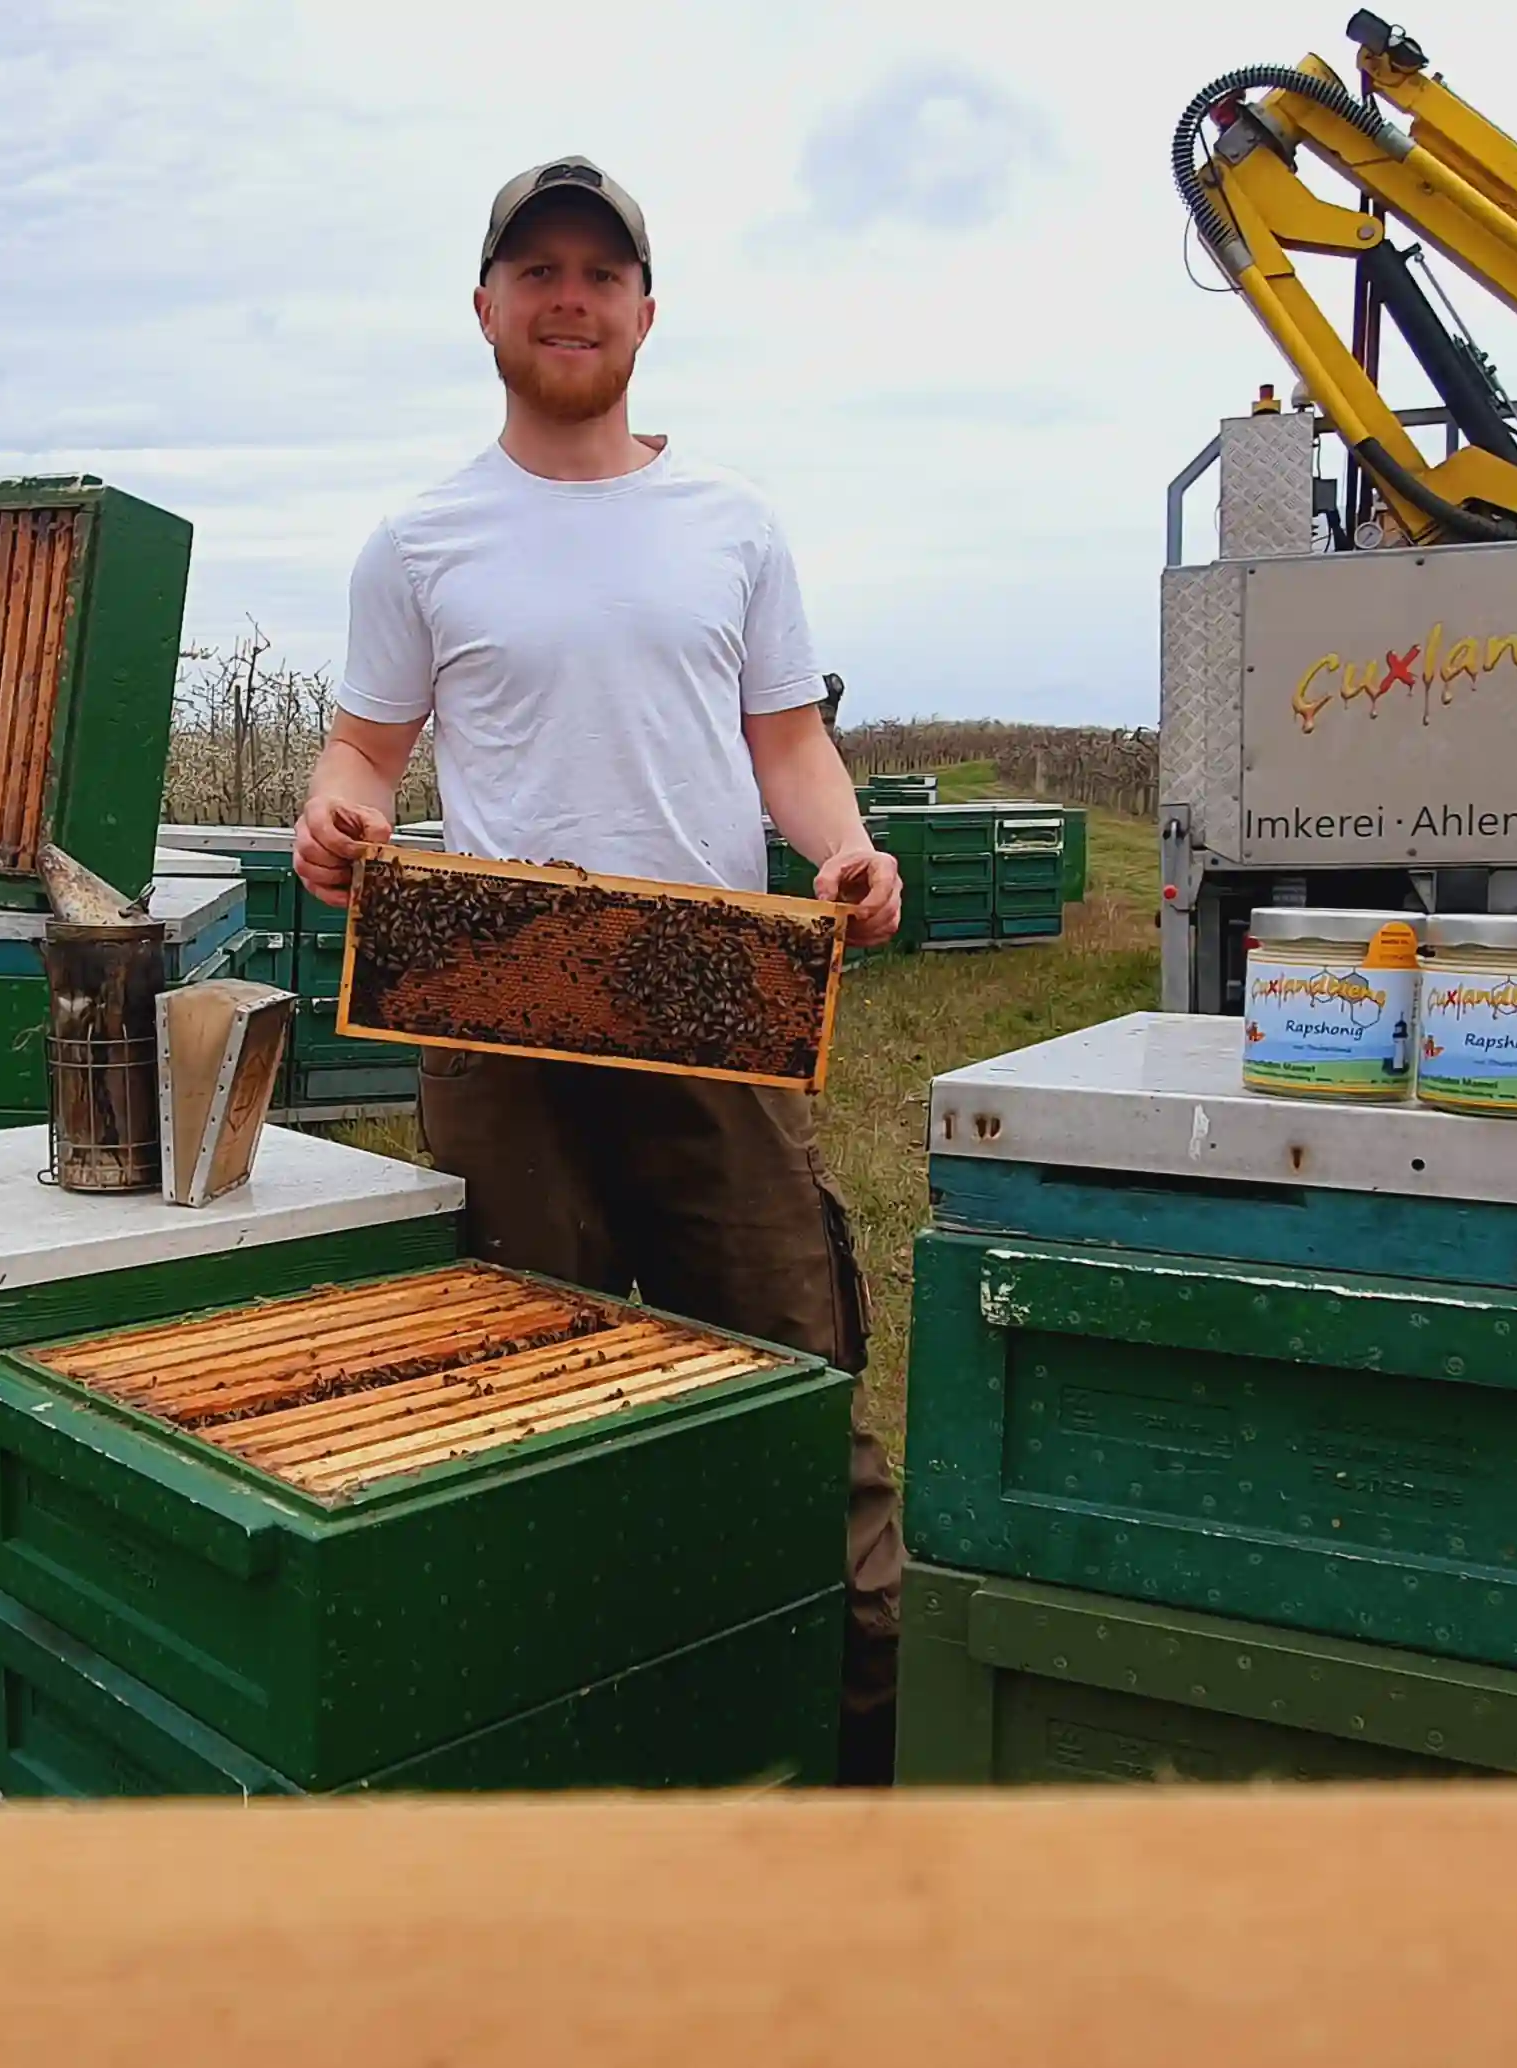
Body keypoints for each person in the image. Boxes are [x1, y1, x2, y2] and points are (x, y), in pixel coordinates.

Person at [290, 155, 906, 1784]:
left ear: (646, 309)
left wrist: (847, 856)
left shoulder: (732, 525)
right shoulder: (420, 540)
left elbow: (791, 743)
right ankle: (550, 1741)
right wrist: (338, 818)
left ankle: (852, 1755)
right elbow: (364, 749)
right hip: (498, 1017)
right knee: (514, 1392)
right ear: (486, 306)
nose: (571, 299)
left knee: (786, 1379)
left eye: (601, 273)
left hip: (716, 1005)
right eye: (538, 270)